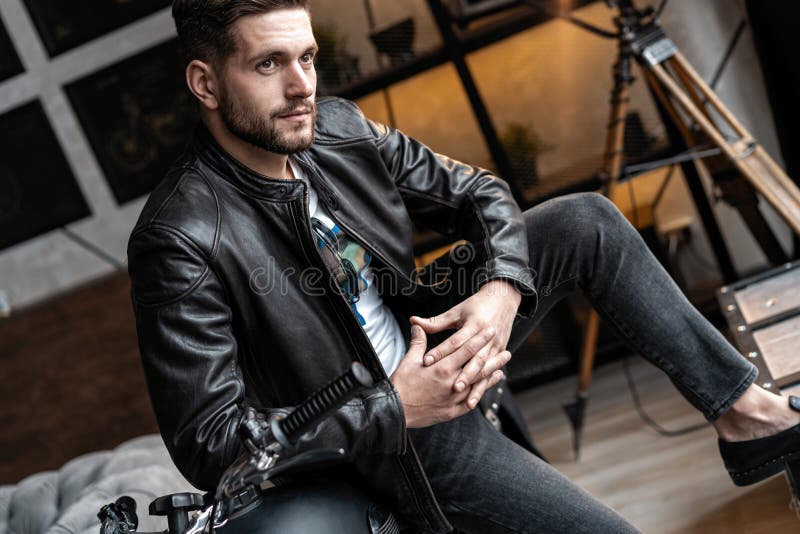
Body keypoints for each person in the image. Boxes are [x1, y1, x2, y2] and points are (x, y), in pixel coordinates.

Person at [127, 1, 800, 532]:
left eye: (307, 57)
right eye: (269, 65)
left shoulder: (336, 129)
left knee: (584, 221)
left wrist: (502, 289)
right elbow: (212, 444)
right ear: (206, 83)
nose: (303, 85)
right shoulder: (180, 237)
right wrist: (395, 406)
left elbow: (480, 193)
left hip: (429, 339)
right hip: (396, 440)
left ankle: (744, 415)